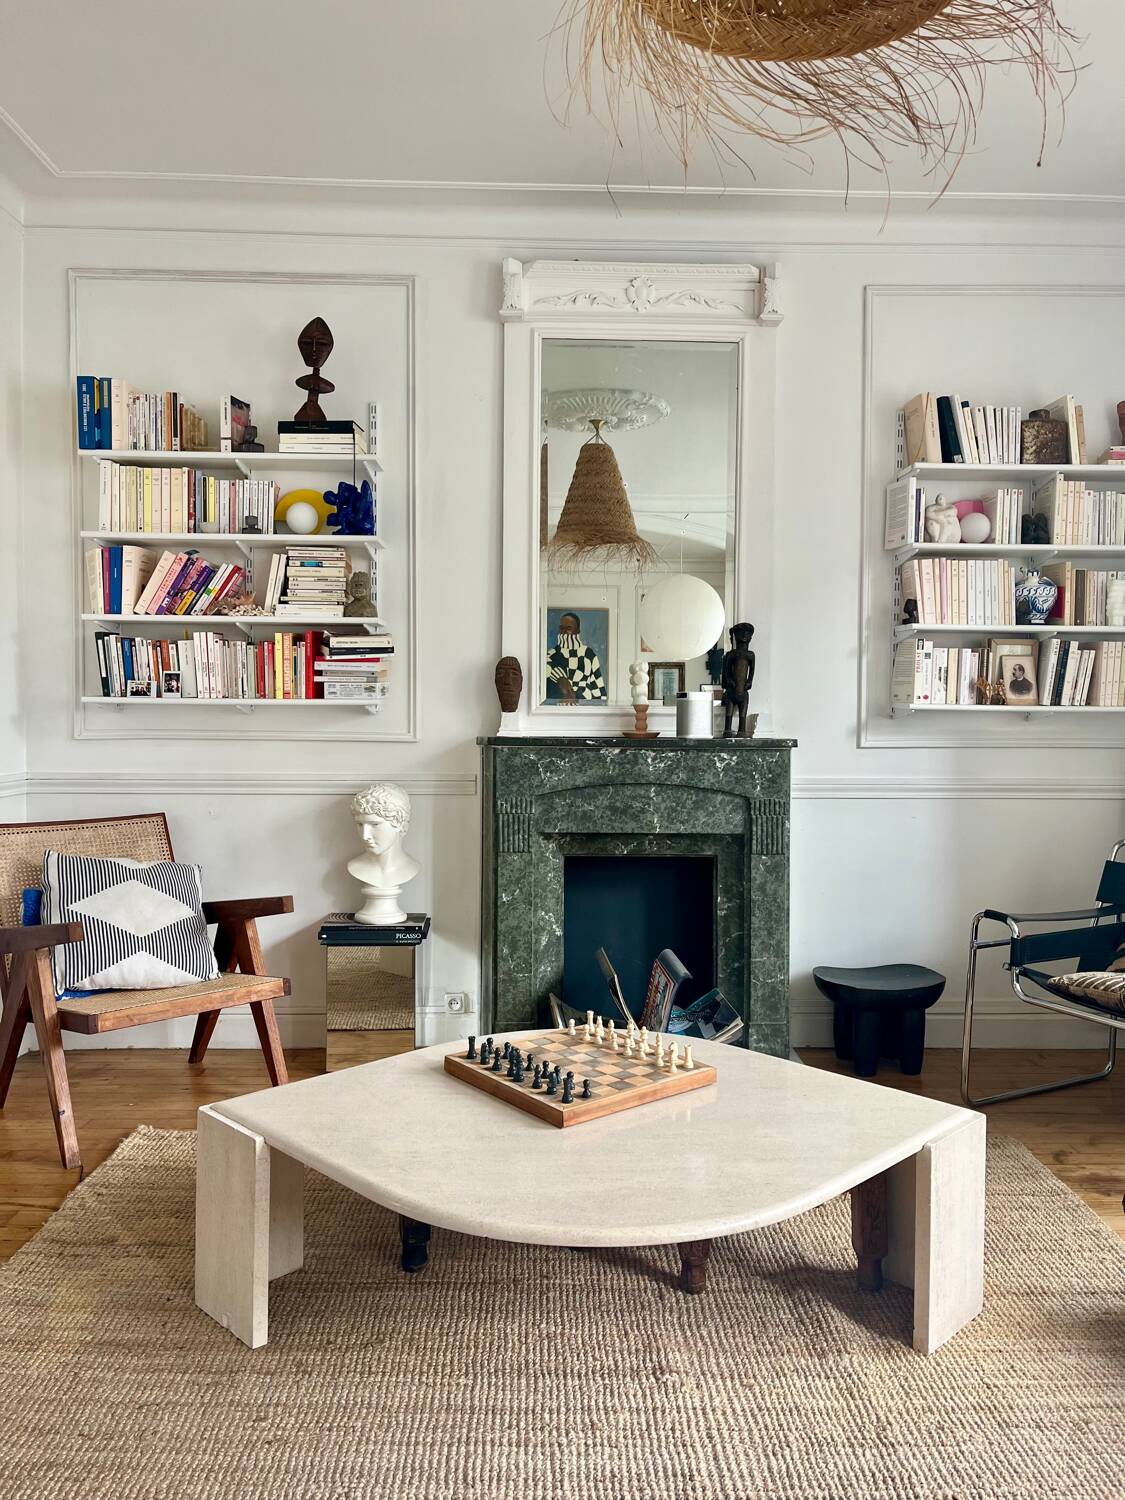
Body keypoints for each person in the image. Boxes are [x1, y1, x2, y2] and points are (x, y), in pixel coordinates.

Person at [545, 611, 606, 702]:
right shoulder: (551, 654)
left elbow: (599, 692)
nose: (564, 631)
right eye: (561, 628)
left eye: (569, 628)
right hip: (558, 709)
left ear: (578, 630)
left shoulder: (588, 654)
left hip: (584, 710)